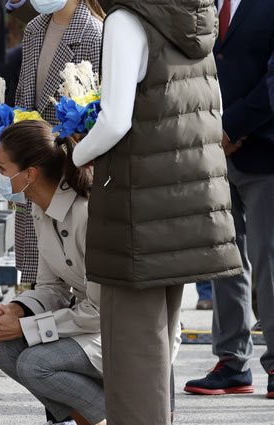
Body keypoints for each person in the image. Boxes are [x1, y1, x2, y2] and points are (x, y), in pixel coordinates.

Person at [70, 1, 243, 424]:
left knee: (132, 356)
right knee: (158, 344)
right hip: (187, 199)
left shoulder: (128, 19)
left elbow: (115, 121)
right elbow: (214, 105)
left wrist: (74, 154)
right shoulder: (195, 18)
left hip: (136, 201)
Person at [0, 120, 104, 425]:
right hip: (89, 323)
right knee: (2, 345)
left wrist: (27, 328)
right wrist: (17, 310)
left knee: (36, 364)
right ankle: (90, 417)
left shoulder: (88, 214)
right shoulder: (41, 206)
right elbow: (53, 287)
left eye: (3, 168)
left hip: (120, 331)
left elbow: (102, 312)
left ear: (30, 174)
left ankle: (115, 416)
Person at [183, 0, 274, 399]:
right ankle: (232, 362)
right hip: (211, 151)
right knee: (223, 258)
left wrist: (232, 126)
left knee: (269, 261)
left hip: (264, 151)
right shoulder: (200, 4)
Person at [12, 0, 104, 292]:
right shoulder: (35, 28)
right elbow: (22, 100)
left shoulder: (94, 33)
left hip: (70, 171)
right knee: (37, 279)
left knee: (69, 276)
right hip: (31, 169)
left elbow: (96, 112)